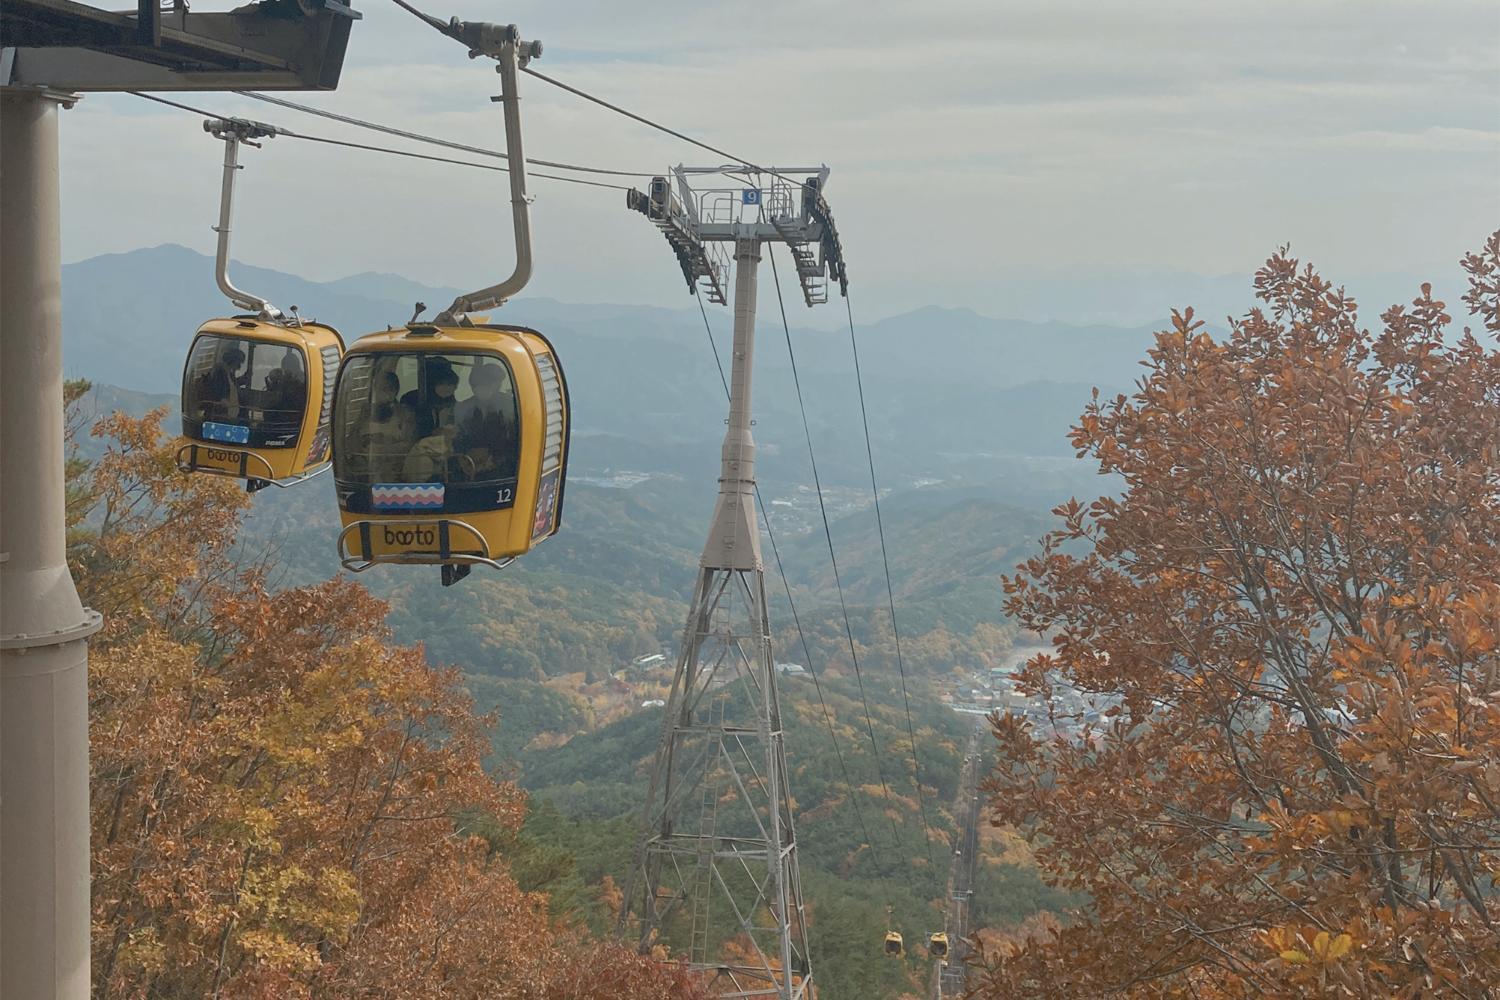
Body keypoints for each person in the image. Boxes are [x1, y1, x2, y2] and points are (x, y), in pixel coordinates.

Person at [454, 361, 517, 480]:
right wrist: (466, 455)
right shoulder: (464, 407)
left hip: (503, 468)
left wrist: (494, 456)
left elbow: (514, 438)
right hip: (468, 463)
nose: (496, 386)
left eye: (498, 384)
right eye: (478, 386)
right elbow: (458, 436)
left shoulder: (510, 405)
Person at [196, 344, 248, 421]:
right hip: (221, 417)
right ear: (232, 361)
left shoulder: (229, 373)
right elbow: (221, 395)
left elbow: (231, 386)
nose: (239, 367)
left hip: (231, 415)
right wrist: (230, 407)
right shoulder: (219, 372)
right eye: (238, 363)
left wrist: (243, 379)